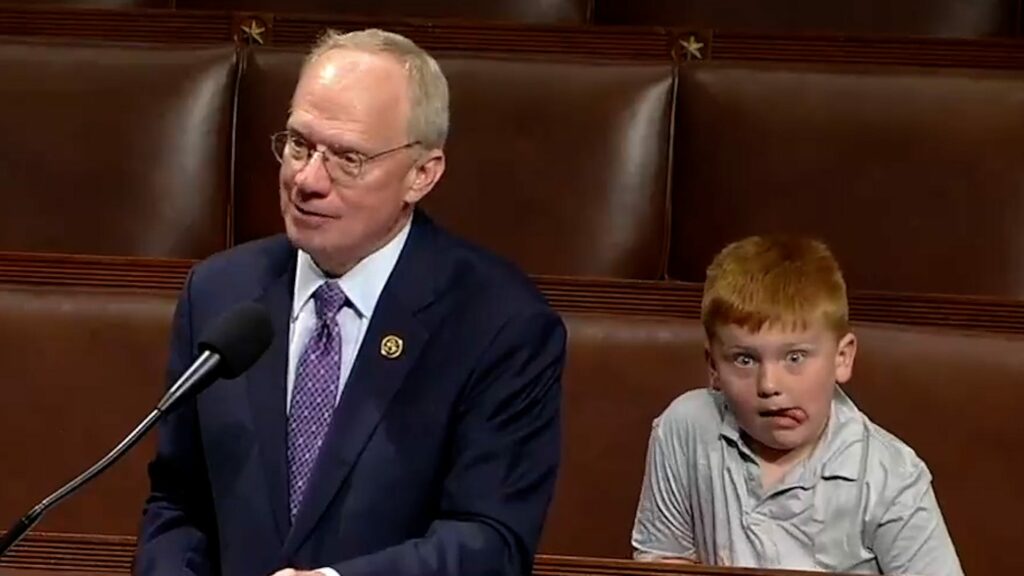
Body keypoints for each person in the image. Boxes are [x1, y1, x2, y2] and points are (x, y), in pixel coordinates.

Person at [135, 28, 566, 576]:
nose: (307, 180)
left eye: (348, 158)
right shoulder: (220, 294)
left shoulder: (500, 325)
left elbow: (490, 540)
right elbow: (178, 503)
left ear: (421, 174)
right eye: (298, 144)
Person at [631, 235, 963, 575]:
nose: (770, 385)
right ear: (713, 366)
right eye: (745, 359)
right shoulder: (685, 427)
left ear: (842, 357)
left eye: (795, 357)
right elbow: (663, 560)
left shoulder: (892, 476)